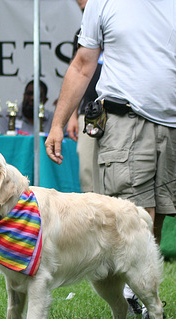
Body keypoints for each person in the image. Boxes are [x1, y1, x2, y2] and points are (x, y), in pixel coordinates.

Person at [45, 0, 176, 315]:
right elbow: (82, 64)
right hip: (123, 119)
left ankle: (134, 284)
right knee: (140, 210)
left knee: (161, 213)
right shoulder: (103, 2)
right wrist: (58, 123)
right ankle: (135, 296)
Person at [65, 0, 101, 193]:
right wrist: (72, 116)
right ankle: (95, 220)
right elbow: (77, 73)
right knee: (87, 169)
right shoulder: (81, 34)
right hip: (89, 111)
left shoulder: (122, 25)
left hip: (122, 110)